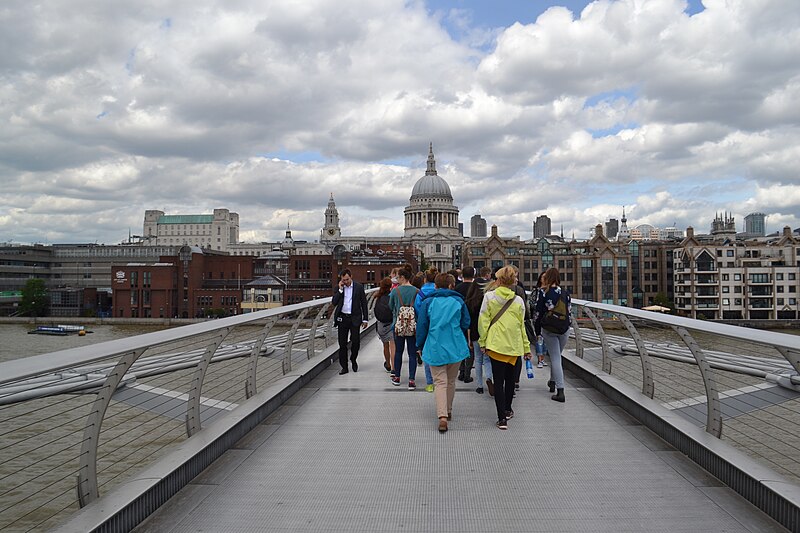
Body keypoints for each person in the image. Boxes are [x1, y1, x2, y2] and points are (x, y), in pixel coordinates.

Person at [416, 273, 471, 433]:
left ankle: (442, 417)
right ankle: (448, 409)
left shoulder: (428, 302)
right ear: (451, 286)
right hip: (455, 345)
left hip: (435, 345)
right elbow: (466, 322)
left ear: (435, 286)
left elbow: (422, 326)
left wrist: (419, 344)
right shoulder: (459, 301)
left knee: (440, 382)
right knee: (451, 381)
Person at [478, 265, 531, 429]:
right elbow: (521, 326)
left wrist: (483, 342)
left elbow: (483, 322)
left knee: (498, 381)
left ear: (499, 280)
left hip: (495, 345)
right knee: (510, 381)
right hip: (513, 346)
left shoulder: (489, 297)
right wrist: (526, 348)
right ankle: (508, 409)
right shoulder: (518, 301)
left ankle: (502, 419)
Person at [534, 267, 571, 403]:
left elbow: (537, 314)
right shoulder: (565, 293)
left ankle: (560, 391)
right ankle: (552, 382)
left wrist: (537, 332)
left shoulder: (544, 293)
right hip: (563, 329)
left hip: (549, 329)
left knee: (555, 358)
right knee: (557, 357)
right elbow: (569, 311)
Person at [332, 269, 369, 375]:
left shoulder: (358, 287)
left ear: (351, 277)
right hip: (342, 318)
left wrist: (365, 318)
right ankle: (344, 366)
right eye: (343, 280)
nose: (346, 282)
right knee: (342, 344)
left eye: (347, 279)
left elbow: (364, 303)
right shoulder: (338, 288)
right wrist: (340, 290)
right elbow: (334, 302)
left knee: (356, 341)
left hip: (355, 318)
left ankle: (353, 359)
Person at [389, 267, 419, 389]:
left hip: (399, 325)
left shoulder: (396, 291)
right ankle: (411, 380)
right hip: (412, 326)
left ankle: (397, 377)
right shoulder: (417, 291)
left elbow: (391, 306)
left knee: (398, 352)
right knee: (412, 353)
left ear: (402, 277)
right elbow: (419, 308)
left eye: (398, 277)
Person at [466, 266, 493, 395]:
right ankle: (489, 378)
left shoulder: (470, 302)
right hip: (488, 331)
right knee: (487, 359)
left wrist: (469, 338)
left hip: (475, 331)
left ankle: (479, 386)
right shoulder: (488, 299)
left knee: (477, 359)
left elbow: (469, 322)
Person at [415, 267, 439, 393]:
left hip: (425, 325)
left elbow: (417, 309)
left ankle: (430, 383)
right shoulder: (439, 293)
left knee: (426, 354)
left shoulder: (420, 293)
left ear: (425, 279)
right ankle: (439, 380)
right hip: (438, 325)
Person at [454, 266, 476, 383]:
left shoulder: (457, 288)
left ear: (462, 275)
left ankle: (461, 372)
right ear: (473, 275)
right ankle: (467, 373)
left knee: (460, 346)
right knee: (470, 347)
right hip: (473, 320)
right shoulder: (476, 288)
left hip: (460, 320)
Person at [374, 277, 395, 373]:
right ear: (390, 286)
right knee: (393, 346)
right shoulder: (392, 297)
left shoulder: (378, 297)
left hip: (381, 325)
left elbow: (375, 312)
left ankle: (388, 364)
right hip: (391, 324)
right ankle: (394, 367)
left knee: (385, 346)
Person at [530, 272, 549, 368]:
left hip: (548, 319)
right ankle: (540, 359)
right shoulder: (536, 291)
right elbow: (531, 302)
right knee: (539, 338)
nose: (544, 279)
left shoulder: (550, 291)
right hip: (538, 318)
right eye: (543, 277)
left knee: (546, 338)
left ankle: (543, 357)